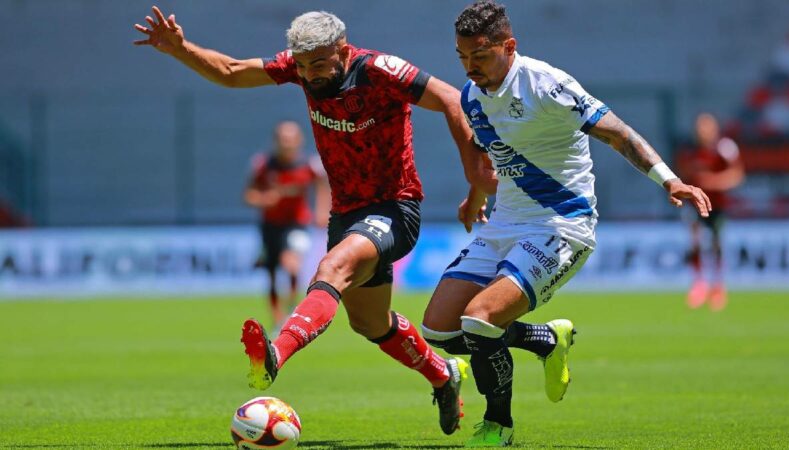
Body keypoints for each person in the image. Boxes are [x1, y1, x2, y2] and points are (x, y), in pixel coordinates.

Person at [134, 6, 495, 435]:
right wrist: (180, 49)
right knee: (370, 323)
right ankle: (443, 375)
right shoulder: (300, 67)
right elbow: (231, 72)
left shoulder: (382, 70)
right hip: (346, 214)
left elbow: (452, 99)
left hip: (394, 208)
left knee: (332, 269)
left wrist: (476, 180)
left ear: (342, 50)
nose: (309, 74)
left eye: (319, 64)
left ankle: (275, 356)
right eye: (302, 65)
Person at [420, 2, 712, 446]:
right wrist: (474, 198)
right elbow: (492, 158)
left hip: (561, 225)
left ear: (509, 46)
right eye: (462, 57)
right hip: (504, 225)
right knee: (439, 329)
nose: (469, 66)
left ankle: (499, 426)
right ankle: (545, 340)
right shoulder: (472, 96)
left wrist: (670, 181)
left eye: (479, 55)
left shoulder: (547, 85)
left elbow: (618, 133)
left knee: (479, 321)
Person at [244, 121, 329, 333]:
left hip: (297, 223)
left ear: (299, 141)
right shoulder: (264, 165)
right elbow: (249, 195)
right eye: (283, 139)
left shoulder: (309, 165)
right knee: (272, 274)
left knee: (291, 263)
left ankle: (291, 304)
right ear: (276, 141)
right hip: (270, 225)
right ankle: (277, 318)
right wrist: (264, 199)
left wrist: (321, 210)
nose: (287, 144)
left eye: (291, 139)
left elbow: (322, 186)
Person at [677, 113, 745, 311]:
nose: (701, 131)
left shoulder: (725, 148)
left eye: (705, 127)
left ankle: (718, 286)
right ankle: (698, 284)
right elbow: (683, 173)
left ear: (714, 128)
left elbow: (737, 175)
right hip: (694, 204)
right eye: (699, 127)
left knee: (716, 243)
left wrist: (713, 182)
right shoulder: (689, 150)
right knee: (695, 241)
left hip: (717, 205)